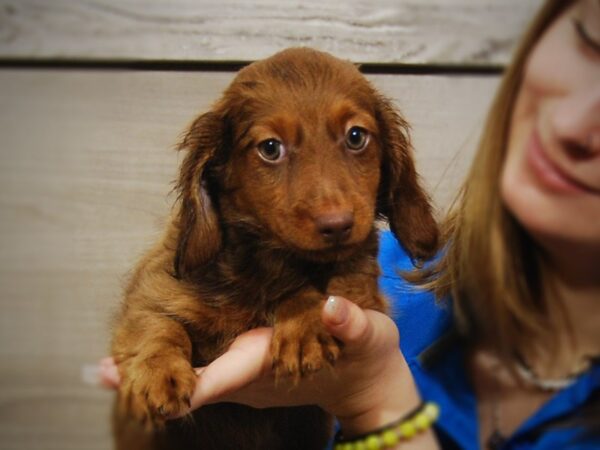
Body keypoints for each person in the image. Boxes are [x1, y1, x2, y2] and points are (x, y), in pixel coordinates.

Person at [100, 0, 600, 448]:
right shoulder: (400, 268)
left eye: (356, 138)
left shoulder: (356, 280)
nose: (333, 210)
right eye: (589, 41)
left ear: (390, 160)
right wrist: (164, 345)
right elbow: (157, 303)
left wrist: (374, 397)